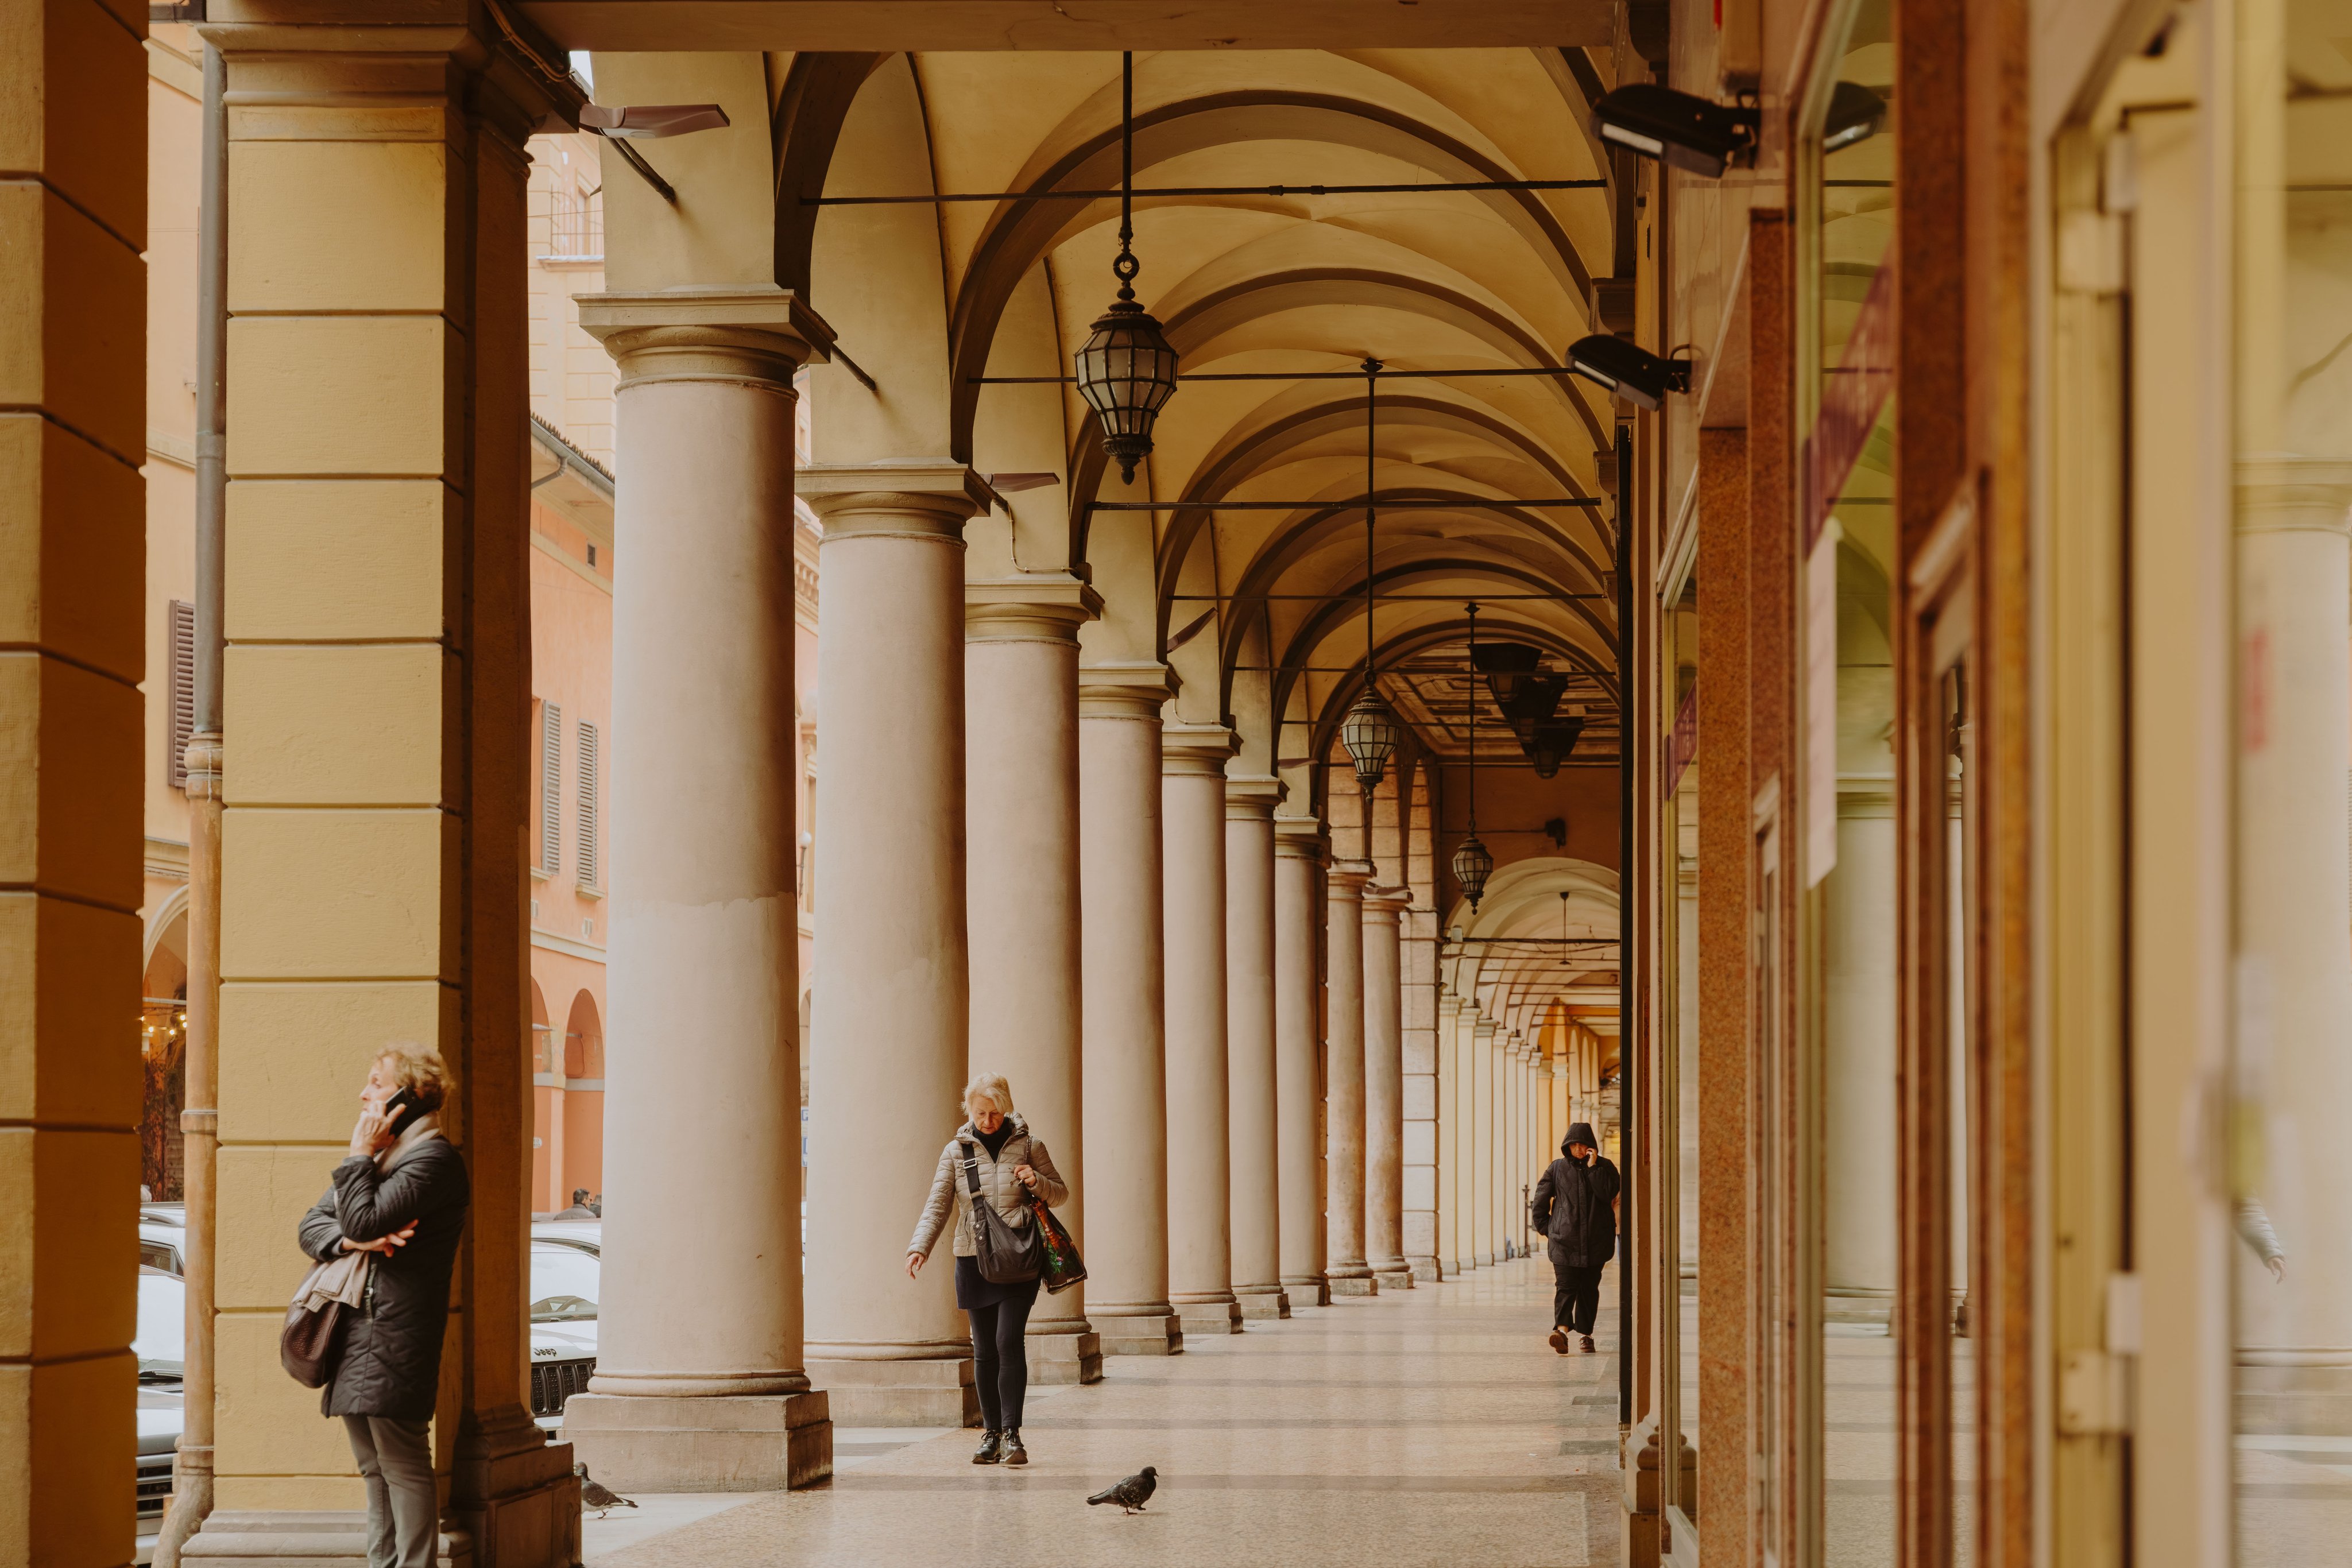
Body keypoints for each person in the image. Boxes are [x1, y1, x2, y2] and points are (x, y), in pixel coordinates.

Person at [296, 1044, 469, 1568]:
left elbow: (365, 1219)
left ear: (408, 1094)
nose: (363, 1093)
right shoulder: (384, 1158)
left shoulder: (433, 1160)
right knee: (374, 1466)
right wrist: (352, 1243)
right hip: (357, 1329)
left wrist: (356, 1156)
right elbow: (313, 1226)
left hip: (395, 1333)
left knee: (404, 1462)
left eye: (375, 1082)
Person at [905, 1073, 1069, 1467]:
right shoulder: (956, 1151)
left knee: (1007, 1340)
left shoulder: (1030, 1145)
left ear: (1006, 1108)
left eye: (995, 1113)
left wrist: (1038, 1181)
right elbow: (938, 1204)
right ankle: (990, 1433)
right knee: (984, 1349)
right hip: (973, 1258)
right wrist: (920, 1245)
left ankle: (1012, 1435)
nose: (988, 1121)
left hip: (1019, 1258)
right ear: (970, 1110)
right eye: (981, 1113)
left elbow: (1060, 1192)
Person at [1530, 1121, 1620, 1354]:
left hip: (1596, 1241)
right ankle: (1561, 1331)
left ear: (1592, 1147)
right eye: (1574, 1145)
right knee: (1565, 1287)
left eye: (1583, 1145)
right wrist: (1549, 1229)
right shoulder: (1557, 1168)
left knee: (1589, 1289)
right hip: (1564, 1242)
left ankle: (1586, 1336)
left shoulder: (1606, 1167)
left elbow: (1608, 1194)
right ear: (1567, 1146)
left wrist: (1593, 1168)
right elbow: (1540, 1201)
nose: (1579, 1149)